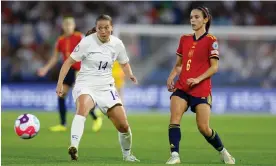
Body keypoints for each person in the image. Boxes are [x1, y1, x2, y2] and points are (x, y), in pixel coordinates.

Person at [56, 14, 140, 162]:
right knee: (82, 109)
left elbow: (124, 63)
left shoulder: (117, 44)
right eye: (99, 28)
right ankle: (73, 146)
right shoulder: (86, 42)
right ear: (96, 28)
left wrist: (130, 74)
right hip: (85, 84)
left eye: (106, 27)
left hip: (106, 88)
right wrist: (59, 83)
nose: (102, 31)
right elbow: (68, 62)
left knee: (124, 126)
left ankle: (127, 155)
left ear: (111, 28)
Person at [166, 6, 235, 164]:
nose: (193, 20)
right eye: (191, 17)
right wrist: (171, 76)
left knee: (203, 128)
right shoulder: (184, 38)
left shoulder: (211, 40)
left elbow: (214, 67)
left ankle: (223, 151)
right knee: (174, 119)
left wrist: (198, 79)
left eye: (197, 17)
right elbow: (179, 65)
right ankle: (175, 155)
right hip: (182, 87)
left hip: (201, 89)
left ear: (205, 19)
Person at [37, 17, 102, 132]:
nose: (68, 27)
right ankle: (63, 124)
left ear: (73, 26)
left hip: (79, 70)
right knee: (61, 95)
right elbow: (55, 57)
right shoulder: (60, 40)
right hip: (67, 70)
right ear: (63, 27)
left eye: (70, 25)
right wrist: (45, 68)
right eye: (66, 25)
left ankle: (96, 118)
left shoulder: (79, 37)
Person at [86, 27, 125, 100]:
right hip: (112, 73)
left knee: (117, 93)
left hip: (113, 73)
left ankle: (118, 108)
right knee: (117, 94)